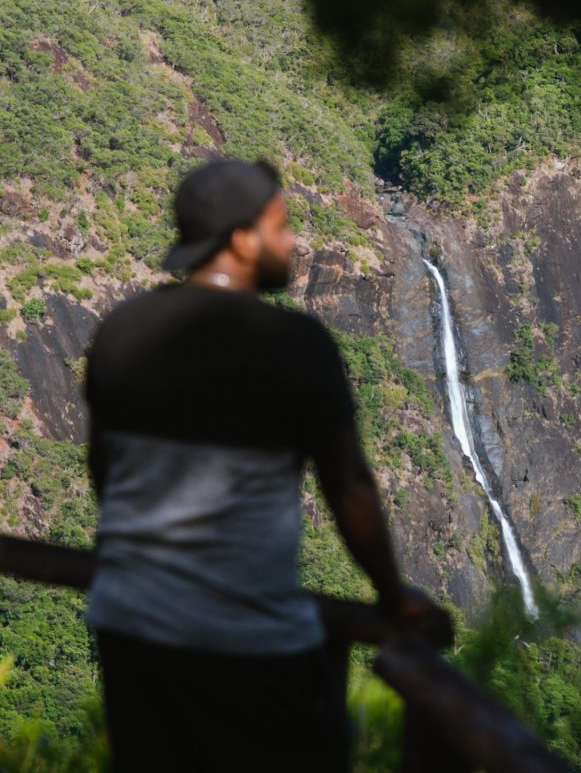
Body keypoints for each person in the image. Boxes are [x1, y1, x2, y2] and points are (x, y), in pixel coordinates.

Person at [85, 157, 440, 772]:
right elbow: (348, 486)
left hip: (130, 633)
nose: (293, 240)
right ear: (244, 239)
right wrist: (392, 594)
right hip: (246, 642)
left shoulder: (121, 330)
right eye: (282, 225)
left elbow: (105, 473)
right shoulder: (292, 344)